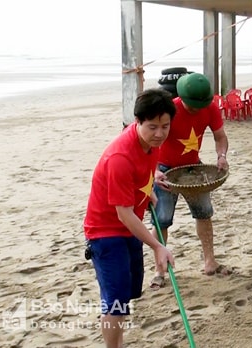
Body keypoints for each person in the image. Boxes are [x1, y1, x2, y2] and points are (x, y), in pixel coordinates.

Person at [83, 89, 177, 348]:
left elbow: (146, 167)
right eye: (152, 127)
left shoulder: (152, 144)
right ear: (137, 122)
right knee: (116, 303)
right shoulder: (120, 157)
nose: (159, 133)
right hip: (106, 233)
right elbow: (122, 213)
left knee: (129, 294)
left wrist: (148, 187)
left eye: (165, 126)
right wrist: (157, 245)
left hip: (129, 228)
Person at [150, 73, 230, 289]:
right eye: (192, 105)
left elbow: (220, 136)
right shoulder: (169, 110)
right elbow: (149, 143)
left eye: (200, 105)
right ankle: (159, 270)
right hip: (164, 170)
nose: (196, 109)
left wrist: (221, 156)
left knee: (204, 212)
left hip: (194, 166)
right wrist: (154, 170)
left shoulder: (210, 107)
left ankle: (209, 261)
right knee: (163, 218)